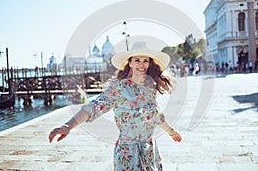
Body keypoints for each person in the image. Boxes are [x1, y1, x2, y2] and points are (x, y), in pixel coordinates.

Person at [49, 42, 182, 170]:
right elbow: (94, 107)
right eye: (137, 60)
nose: (142, 64)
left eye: (145, 60)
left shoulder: (150, 88)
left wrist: (170, 131)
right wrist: (68, 126)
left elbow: (155, 115)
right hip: (127, 154)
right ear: (129, 63)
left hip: (150, 151)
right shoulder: (119, 88)